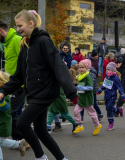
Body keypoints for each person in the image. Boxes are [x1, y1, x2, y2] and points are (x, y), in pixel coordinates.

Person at [0, 10, 79, 160]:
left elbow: (58, 67)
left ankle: (41, 157)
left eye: (20, 25)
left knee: (22, 123)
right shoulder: (25, 46)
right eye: (16, 26)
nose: (17, 29)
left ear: (31, 24)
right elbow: (19, 76)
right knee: (41, 131)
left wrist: (71, 92)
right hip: (34, 94)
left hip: (46, 92)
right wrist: (4, 91)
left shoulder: (43, 41)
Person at [0, 21, 26, 142]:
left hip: (19, 85)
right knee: (16, 113)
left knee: (11, 112)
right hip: (11, 85)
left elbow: (27, 61)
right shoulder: (6, 43)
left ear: (0, 31)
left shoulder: (16, 39)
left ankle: (21, 140)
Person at [0, 71, 26, 159]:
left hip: (2, 123)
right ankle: (18, 144)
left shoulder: (4, 95)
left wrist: (1, 101)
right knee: (1, 141)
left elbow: (5, 108)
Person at [73, 59, 102, 135]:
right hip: (81, 98)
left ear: (87, 68)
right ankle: (79, 125)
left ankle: (97, 125)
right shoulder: (80, 76)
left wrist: (82, 88)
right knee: (76, 111)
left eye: (83, 67)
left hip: (88, 99)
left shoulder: (88, 77)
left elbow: (90, 87)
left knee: (92, 114)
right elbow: (80, 86)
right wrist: (76, 88)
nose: (81, 69)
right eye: (80, 67)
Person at [97, 62, 125, 130]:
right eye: (107, 69)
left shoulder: (116, 78)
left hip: (112, 96)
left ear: (113, 70)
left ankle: (111, 124)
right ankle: (118, 109)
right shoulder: (107, 77)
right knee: (108, 109)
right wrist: (99, 91)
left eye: (109, 69)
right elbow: (104, 85)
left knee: (109, 108)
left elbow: (120, 87)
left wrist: (123, 95)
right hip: (106, 96)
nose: (107, 71)